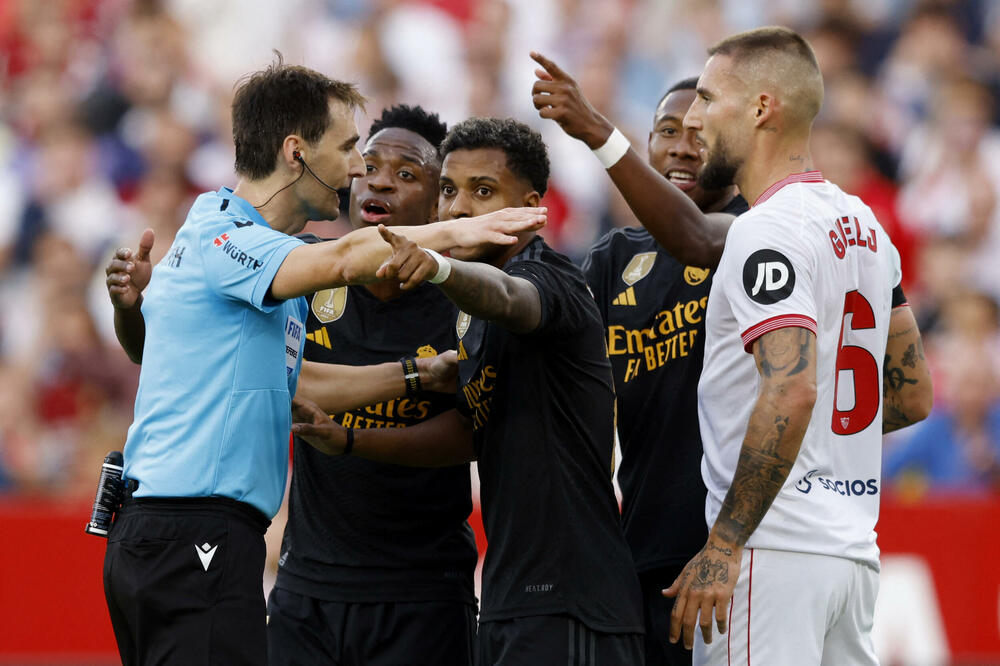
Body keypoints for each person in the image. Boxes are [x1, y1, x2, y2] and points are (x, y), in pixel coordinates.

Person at [101, 57, 544, 665]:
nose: (360, 170)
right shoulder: (230, 238)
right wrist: (468, 233)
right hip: (193, 529)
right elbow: (344, 261)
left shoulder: (259, 260)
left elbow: (290, 383)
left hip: (203, 537)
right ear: (295, 152)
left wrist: (415, 374)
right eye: (348, 147)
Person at [292, 117, 645, 664]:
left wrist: (437, 265)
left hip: (568, 600)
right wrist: (353, 440)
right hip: (510, 599)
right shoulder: (470, 316)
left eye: (483, 193)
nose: (458, 210)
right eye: (451, 191)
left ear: (530, 205)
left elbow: (513, 299)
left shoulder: (551, 279)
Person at [644, 28, 931, 665]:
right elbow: (912, 394)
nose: (693, 118)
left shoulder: (762, 232)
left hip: (767, 560)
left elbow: (791, 387)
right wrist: (831, 445)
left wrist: (724, 545)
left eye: (709, 99)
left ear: (761, 108)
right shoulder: (865, 227)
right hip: (851, 558)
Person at [532, 63, 747, 666]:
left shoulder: (754, 232)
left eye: (698, 132)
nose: (680, 146)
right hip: (638, 552)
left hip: (731, 555)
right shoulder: (613, 258)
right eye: (665, 129)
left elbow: (699, 238)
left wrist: (599, 132)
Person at [266, 105, 479, 666]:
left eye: (407, 174)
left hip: (423, 592)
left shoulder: (467, 298)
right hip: (308, 586)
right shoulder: (303, 273)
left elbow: (471, 433)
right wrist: (134, 312)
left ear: (441, 204)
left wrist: (352, 439)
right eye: (370, 165)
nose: (379, 180)